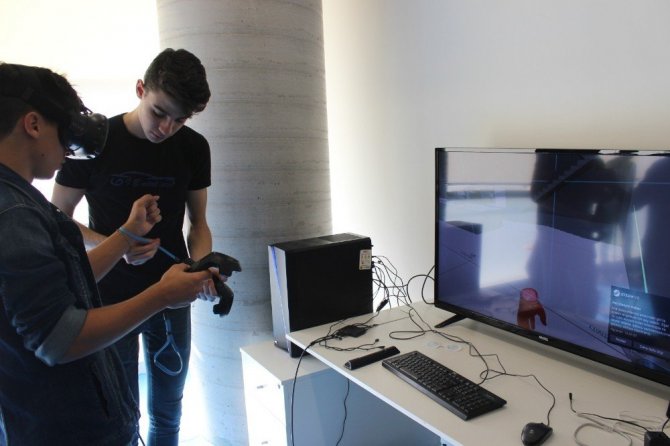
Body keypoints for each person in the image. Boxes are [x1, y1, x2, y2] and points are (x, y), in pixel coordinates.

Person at [0, 62, 216, 445]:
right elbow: (59, 339)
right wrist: (159, 290)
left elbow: (68, 277)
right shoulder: (15, 212)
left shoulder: (20, 200)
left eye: (179, 120)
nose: (69, 150)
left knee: (165, 407)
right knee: (124, 397)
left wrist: (129, 235)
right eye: (64, 134)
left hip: (55, 414)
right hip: (62, 414)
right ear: (33, 124)